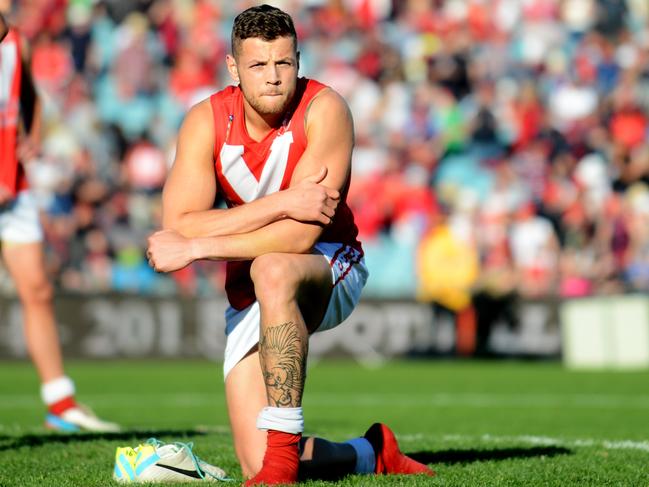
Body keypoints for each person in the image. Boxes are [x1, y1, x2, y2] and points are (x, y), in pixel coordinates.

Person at [147, 4, 434, 485]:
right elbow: (177, 223)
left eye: (284, 63)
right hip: (248, 280)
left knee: (275, 269)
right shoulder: (205, 121)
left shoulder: (325, 109)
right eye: (259, 65)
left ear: (299, 60)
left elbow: (299, 236)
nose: (274, 77)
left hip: (327, 263)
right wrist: (284, 202)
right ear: (234, 68)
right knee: (251, 464)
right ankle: (371, 452)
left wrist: (197, 247)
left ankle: (282, 460)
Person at [0, 7, 118, 433]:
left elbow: (28, 97)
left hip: (13, 190)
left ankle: (60, 402)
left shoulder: (17, 44)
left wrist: (30, 139)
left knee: (37, 288)